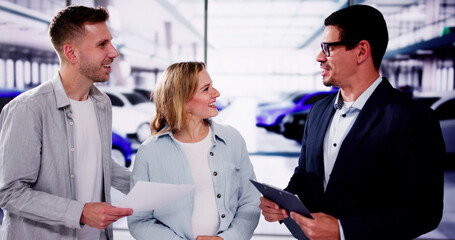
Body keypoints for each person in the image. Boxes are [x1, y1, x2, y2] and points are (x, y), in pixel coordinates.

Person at [259, 4, 445, 240]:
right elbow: (305, 175)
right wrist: (285, 200)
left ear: (361, 51)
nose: (319, 57)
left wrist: (344, 230)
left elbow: (423, 212)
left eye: (328, 48)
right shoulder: (318, 112)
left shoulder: (412, 118)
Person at [0, 5, 133, 240]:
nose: (113, 52)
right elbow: (10, 193)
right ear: (71, 53)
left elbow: (100, 164)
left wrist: (144, 188)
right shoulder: (29, 108)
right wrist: (79, 212)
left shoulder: (102, 103)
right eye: (102, 44)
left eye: (110, 42)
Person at [128, 62, 260, 240]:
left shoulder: (232, 139)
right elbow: (139, 221)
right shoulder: (150, 152)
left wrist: (228, 238)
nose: (217, 93)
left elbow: (250, 202)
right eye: (206, 89)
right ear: (183, 101)